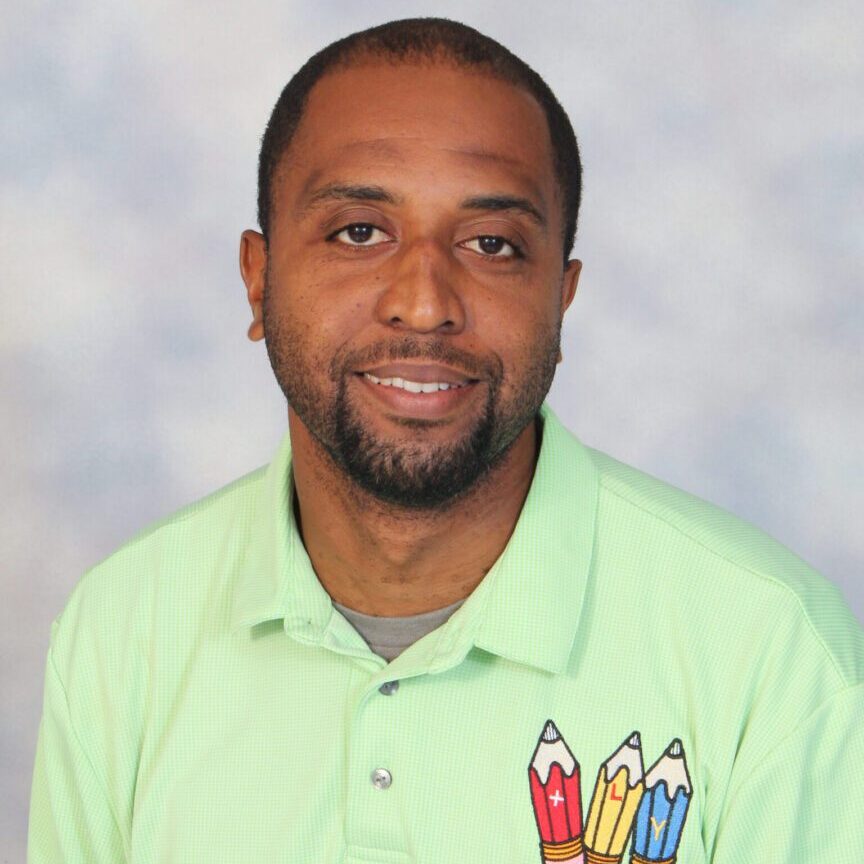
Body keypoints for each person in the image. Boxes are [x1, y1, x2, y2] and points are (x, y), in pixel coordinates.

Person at [28, 17, 864, 864]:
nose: (424, 304)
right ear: (258, 278)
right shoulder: (121, 627)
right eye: (359, 231)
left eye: (491, 245)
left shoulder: (771, 651)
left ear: (561, 299)